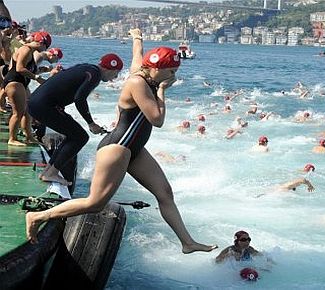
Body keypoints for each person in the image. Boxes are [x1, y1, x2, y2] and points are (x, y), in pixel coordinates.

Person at [26, 28, 218, 254]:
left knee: (165, 192)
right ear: (155, 69)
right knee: (95, 203)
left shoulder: (144, 72)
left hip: (134, 148)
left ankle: (187, 242)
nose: (174, 76)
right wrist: (163, 92)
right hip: (117, 147)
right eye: (171, 71)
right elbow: (156, 119)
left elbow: (138, 54)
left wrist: (137, 37)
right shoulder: (138, 83)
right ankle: (38, 216)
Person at [28, 53, 123, 185]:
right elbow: (80, 99)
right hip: (44, 106)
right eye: (116, 73)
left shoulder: (87, 68)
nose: (116, 77)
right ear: (110, 69)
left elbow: (64, 87)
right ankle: (51, 173)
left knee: (72, 135)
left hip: (36, 103)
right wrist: (91, 123)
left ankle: (48, 172)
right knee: (80, 137)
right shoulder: (95, 75)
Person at [2, 31, 50, 146]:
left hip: (20, 83)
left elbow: (28, 68)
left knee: (28, 110)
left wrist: (43, 71)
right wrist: (36, 78)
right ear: (41, 42)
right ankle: (12, 138)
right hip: (14, 82)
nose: (45, 49)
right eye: (46, 46)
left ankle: (29, 136)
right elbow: (19, 68)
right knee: (17, 113)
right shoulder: (26, 49)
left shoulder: (30, 51)